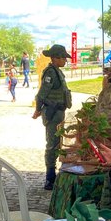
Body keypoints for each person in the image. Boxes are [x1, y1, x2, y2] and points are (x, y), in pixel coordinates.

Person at [33, 44, 73, 190]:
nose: (65, 60)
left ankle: (54, 175)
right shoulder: (50, 73)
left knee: (58, 143)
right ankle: (50, 178)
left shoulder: (57, 72)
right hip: (53, 112)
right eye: (63, 57)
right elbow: (41, 94)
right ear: (55, 58)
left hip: (59, 112)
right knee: (52, 145)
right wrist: (37, 110)